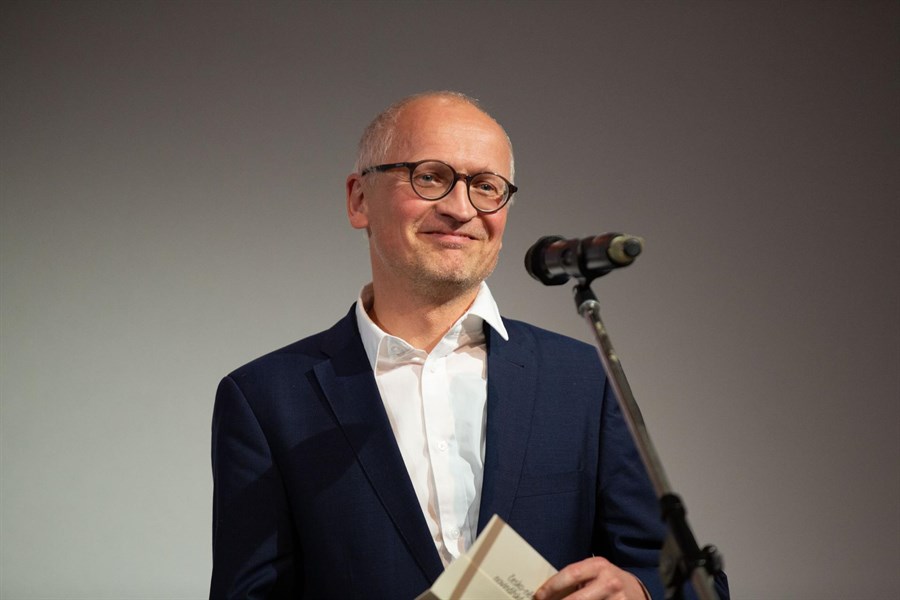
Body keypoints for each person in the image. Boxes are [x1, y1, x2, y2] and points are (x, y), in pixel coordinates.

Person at [210, 91, 728, 599]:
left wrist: (637, 591)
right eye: (430, 177)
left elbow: (688, 581)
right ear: (359, 199)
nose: (461, 209)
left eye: (485, 186)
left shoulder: (579, 378)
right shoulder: (266, 399)